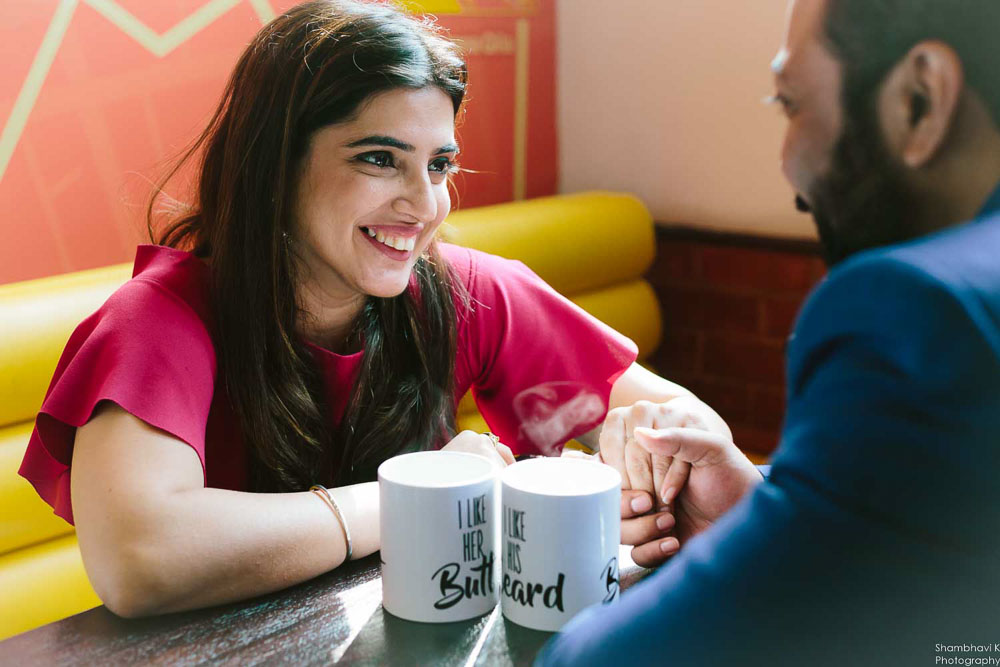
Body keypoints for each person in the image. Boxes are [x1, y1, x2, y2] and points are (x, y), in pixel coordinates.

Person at [17, 0, 726, 619]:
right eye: (380, 159)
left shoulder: (463, 290)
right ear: (276, 163)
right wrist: (421, 495)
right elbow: (140, 559)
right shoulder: (158, 321)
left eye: (439, 165)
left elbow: (688, 431)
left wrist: (648, 464)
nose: (425, 205)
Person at [538, 0, 1000, 664]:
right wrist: (763, 506)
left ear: (921, 100)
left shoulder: (919, 310)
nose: (788, 168)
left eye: (791, 105)